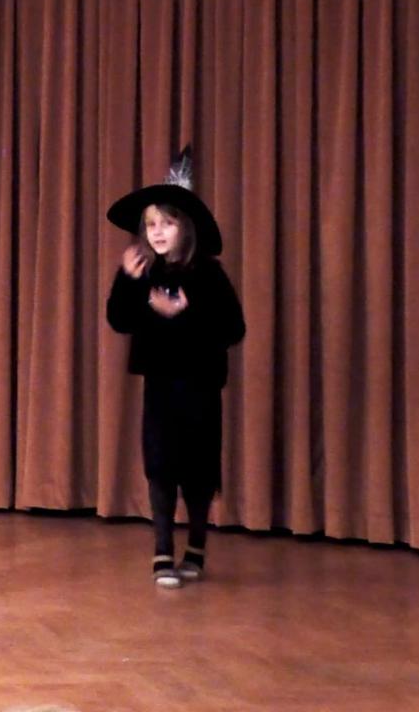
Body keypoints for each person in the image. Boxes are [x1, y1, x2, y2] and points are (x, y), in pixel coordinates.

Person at [104, 148, 245, 588]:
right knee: (160, 464)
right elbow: (118, 319)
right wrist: (128, 282)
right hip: (161, 387)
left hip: (200, 387)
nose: (158, 232)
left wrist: (185, 313)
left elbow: (234, 328)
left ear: (187, 228)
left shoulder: (209, 275)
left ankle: (196, 547)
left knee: (198, 469)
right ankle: (162, 551)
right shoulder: (142, 271)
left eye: (166, 223)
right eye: (151, 225)